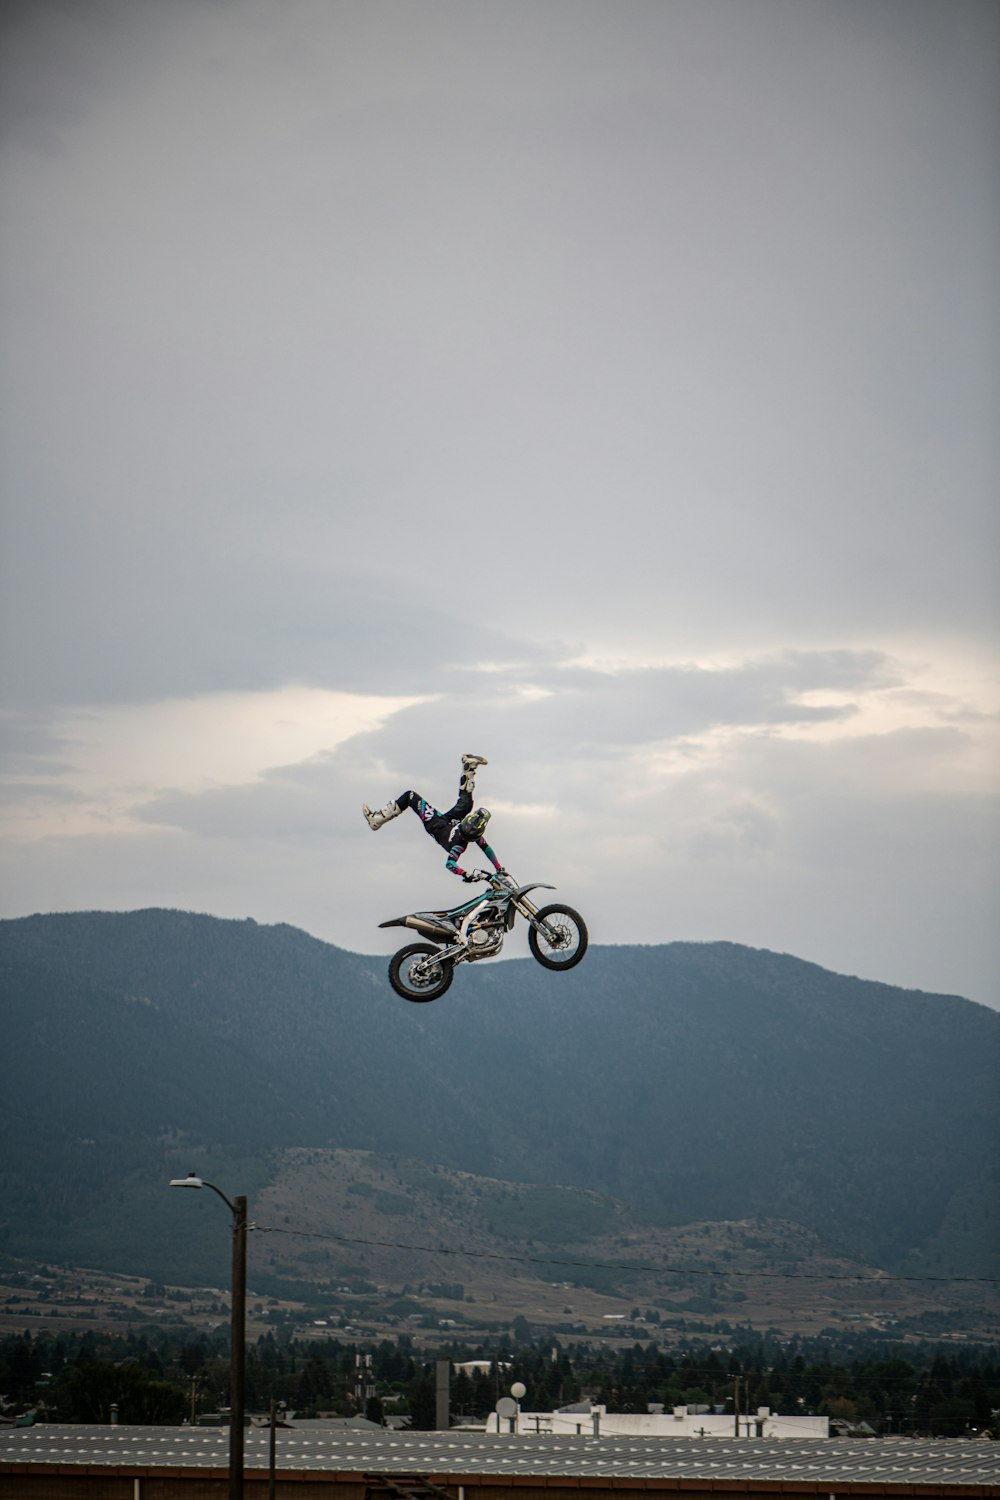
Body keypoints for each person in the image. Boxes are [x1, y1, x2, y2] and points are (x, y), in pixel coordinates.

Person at [362, 754, 504, 882]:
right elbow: (486, 848)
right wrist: (498, 867)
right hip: (448, 823)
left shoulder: (458, 846)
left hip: (435, 824)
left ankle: (377, 820)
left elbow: (450, 864)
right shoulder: (469, 833)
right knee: (466, 805)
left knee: (410, 796)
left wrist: (464, 874)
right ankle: (469, 766)